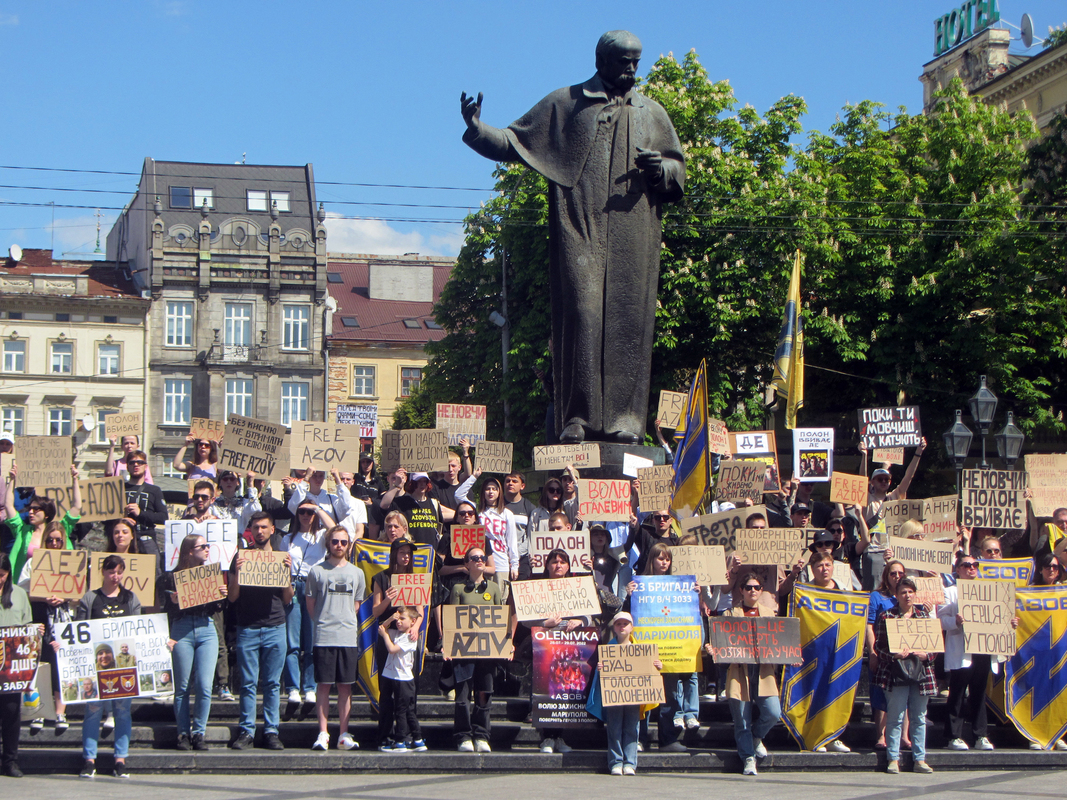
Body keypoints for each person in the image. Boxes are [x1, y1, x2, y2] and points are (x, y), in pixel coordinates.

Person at [460, 29, 685, 444]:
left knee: (628, 321)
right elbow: (515, 142)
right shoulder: (568, 102)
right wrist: (477, 129)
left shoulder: (653, 113)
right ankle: (577, 417)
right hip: (581, 226)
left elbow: (678, 172)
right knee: (583, 313)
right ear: (601, 61)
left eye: (636, 61)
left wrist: (662, 170)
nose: (632, 69)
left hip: (633, 233)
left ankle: (625, 421)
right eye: (623, 61)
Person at [937, 551, 1018, 751]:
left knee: (979, 694)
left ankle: (980, 735)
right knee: (957, 693)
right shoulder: (950, 592)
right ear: (957, 570)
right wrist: (955, 621)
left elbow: (1001, 616)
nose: (971, 568)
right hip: (962, 648)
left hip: (984, 648)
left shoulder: (991, 591)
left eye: (974, 565)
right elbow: (939, 619)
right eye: (966, 565)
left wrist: (1010, 623)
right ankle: (953, 736)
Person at [228, 512, 294, 751]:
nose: (259, 532)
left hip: (275, 626)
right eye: (255, 527)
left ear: (272, 530)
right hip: (248, 627)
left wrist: (287, 573)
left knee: (273, 683)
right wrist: (235, 572)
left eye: (264, 527)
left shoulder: (280, 558)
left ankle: (271, 731)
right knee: (247, 683)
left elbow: (288, 599)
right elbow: (232, 597)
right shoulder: (240, 557)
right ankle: (246, 731)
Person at [709, 571, 782, 776]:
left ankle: (756, 737)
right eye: (748, 587)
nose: (752, 591)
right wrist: (714, 650)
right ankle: (748, 758)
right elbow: (722, 643)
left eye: (756, 587)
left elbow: (780, 641)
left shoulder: (769, 614)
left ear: (761, 591)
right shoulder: (730, 614)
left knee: (773, 712)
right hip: (739, 670)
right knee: (741, 719)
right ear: (741, 590)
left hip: (763, 671)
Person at [626, 542, 696, 751]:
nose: (664, 562)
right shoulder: (640, 583)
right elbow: (626, 616)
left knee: (670, 695)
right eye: (660, 558)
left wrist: (695, 594)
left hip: (671, 648)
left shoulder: (680, 584)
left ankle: (669, 739)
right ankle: (639, 738)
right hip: (646, 647)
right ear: (652, 560)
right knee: (645, 694)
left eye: (667, 559)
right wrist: (629, 596)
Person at [77, 554, 142, 779]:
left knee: (123, 712)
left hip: (123, 667)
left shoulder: (131, 599)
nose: (115, 576)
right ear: (103, 572)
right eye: (111, 572)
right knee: (93, 712)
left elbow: (140, 630)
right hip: (96, 666)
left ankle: (120, 760)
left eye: (119, 572)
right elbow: (77, 631)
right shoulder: (90, 598)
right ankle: (89, 760)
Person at [523, 549, 592, 754]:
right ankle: (546, 738)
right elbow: (525, 619)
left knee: (565, 691)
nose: (558, 565)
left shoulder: (578, 586)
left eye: (562, 562)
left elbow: (591, 614)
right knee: (546, 690)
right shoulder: (538, 588)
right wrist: (545, 623)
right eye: (554, 562)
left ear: (569, 566)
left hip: (570, 650)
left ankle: (560, 737)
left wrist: (581, 620)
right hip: (545, 650)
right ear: (547, 566)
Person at [163, 534, 226, 751]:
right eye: (203, 546)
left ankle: (199, 732)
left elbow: (216, 609)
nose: (208, 549)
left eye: (208, 545)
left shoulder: (209, 574)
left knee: (204, 685)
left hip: (206, 628)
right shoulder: (172, 577)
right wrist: (172, 602)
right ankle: (182, 733)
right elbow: (162, 609)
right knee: (182, 686)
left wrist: (220, 597)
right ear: (190, 551)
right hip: (182, 629)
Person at [306, 525, 365, 752]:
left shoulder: (357, 573)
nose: (339, 546)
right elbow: (311, 605)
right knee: (323, 686)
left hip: (348, 637)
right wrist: (323, 621)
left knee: (345, 688)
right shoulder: (316, 571)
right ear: (328, 544)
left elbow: (356, 605)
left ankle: (343, 734)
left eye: (343, 542)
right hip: (324, 636)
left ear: (348, 545)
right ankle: (323, 733)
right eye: (335, 542)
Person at [871, 577, 937, 774]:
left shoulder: (924, 617)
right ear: (897, 596)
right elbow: (878, 647)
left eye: (910, 592)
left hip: (921, 673)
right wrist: (893, 655)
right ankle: (893, 758)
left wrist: (927, 655)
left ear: (915, 594)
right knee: (896, 716)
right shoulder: (886, 617)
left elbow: (935, 648)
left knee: (919, 717)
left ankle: (920, 759)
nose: (907, 596)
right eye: (903, 592)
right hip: (896, 673)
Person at [446, 545, 507, 752]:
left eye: (482, 557)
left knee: (484, 693)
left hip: (488, 651)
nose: (480, 560)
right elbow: (452, 621)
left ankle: (482, 735)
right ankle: (463, 735)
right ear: (467, 563)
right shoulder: (458, 589)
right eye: (474, 558)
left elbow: (501, 620)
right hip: (464, 650)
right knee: (463, 696)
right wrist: (448, 645)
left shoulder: (494, 589)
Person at [282, 500, 336, 706]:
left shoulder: (321, 536)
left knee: (312, 641)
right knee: (292, 641)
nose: (306, 515)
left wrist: (318, 509)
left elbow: (335, 529)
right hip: (294, 586)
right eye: (302, 511)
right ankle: (293, 687)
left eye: (309, 512)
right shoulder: (287, 538)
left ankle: (310, 687)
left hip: (314, 587)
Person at [857, 438, 927, 590]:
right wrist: (864, 456)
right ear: (873, 482)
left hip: (894, 551)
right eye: (880, 479)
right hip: (874, 552)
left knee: (896, 589)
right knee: (875, 590)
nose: (884, 482)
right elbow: (861, 480)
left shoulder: (895, 496)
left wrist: (918, 452)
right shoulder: (867, 499)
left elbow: (909, 477)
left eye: (887, 479)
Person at [24, 523, 73, 735]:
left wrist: (65, 597)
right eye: (50, 540)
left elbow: (81, 593)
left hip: (63, 620)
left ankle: (60, 712)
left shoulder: (72, 563)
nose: (54, 543)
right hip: (40, 617)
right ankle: (40, 711)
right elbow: (23, 590)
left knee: (61, 664)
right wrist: (44, 596)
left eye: (58, 540)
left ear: (64, 541)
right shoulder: (33, 562)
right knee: (41, 664)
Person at [601, 610, 662, 775]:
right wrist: (602, 669)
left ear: (631, 627)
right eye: (618, 624)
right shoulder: (608, 648)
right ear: (614, 627)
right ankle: (615, 762)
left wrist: (657, 666)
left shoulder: (640, 649)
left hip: (633, 696)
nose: (622, 627)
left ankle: (630, 763)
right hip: (614, 695)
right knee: (614, 728)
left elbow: (650, 672)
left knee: (632, 728)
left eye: (625, 624)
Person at [370, 537, 417, 749]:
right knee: (386, 689)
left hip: (406, 638)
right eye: (401, 552)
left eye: (408, 552)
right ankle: (383, 736)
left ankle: (405, 735)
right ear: (394, 554)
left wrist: (416, 627)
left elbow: (421, 611)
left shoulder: (415, 579)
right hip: (387, 635)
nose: (405, 556)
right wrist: (388, 599)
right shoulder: (382, 577)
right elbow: (375, 612)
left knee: (406, 690)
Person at [4, 464, 82, 584]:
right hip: (25, 586)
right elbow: (9, 506)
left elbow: (76, 506)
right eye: (30, 509)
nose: (31, 512)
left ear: (46, 514)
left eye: (36, 509)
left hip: (54, 585)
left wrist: (75, 479)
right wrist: (13, 480)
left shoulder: (60, 529)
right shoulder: (22, 531)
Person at [866, 560, 908, 751]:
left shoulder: (907, 596)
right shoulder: (876, 596)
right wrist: (873, 652)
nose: (897, 576)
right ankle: (881, 736)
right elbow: (869, 625)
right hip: (883, 653)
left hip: (905, 654)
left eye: (900, 573)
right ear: (886, 576)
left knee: (905, 694)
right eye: (893, 573)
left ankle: (904, 737)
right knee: (880, 695)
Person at [377, 606, 427, 753]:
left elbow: (392, 649)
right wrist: (390, 619)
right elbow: (382, 627)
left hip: (403, 679)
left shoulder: (409, 637)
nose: (398, 622)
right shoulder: (396, 633)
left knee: (402, 710)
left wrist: (386, 637)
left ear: (412, 621)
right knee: (405, 710)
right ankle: (417, 739)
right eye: (398, 619)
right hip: (392, 676)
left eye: (402, 619)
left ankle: (400, 740)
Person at [0, 552, 31, 777]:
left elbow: (27, 626)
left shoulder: (19, 594)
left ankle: (10, 761)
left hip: (11, 666)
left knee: (11, 713)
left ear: (8, 573)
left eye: (1, 575)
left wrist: (35, 631)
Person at [381, 468, 452, 546]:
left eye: (424, 481)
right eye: (418, 481)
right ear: (412, 483)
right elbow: (384, 505)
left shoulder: (434, 503)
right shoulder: (403, 502)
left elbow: (441, 529)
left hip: (430, 552)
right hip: (410, 552)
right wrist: (396, 485)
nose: (422, 484)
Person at [122, 451, 168, 553]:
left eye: (140, 462)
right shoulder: (120, 488)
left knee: (151, 568)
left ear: (145, 466)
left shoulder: (154, 490)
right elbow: (107, 517)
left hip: (146, 538)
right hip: (123, 540)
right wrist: (122, 520)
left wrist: (140, 514)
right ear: (127, 467)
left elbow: (163, 517)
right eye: (132, 462)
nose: (136, 465)